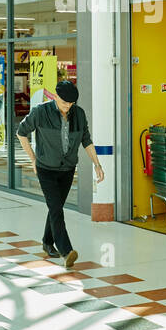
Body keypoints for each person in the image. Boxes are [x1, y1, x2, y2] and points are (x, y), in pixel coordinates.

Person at [16, 80, 104, 269]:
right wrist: (33, 160)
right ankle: (66, 251)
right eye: (64, 103)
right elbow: (21, 133)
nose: (67, 107)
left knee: (55, 207)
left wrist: (97, 164)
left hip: (67, 169)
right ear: (55, 97)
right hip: (45, 168)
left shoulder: (78, 114)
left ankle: (47, 241)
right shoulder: (41, 112)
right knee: (56, 208)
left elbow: (86, 140)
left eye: (71, 104)